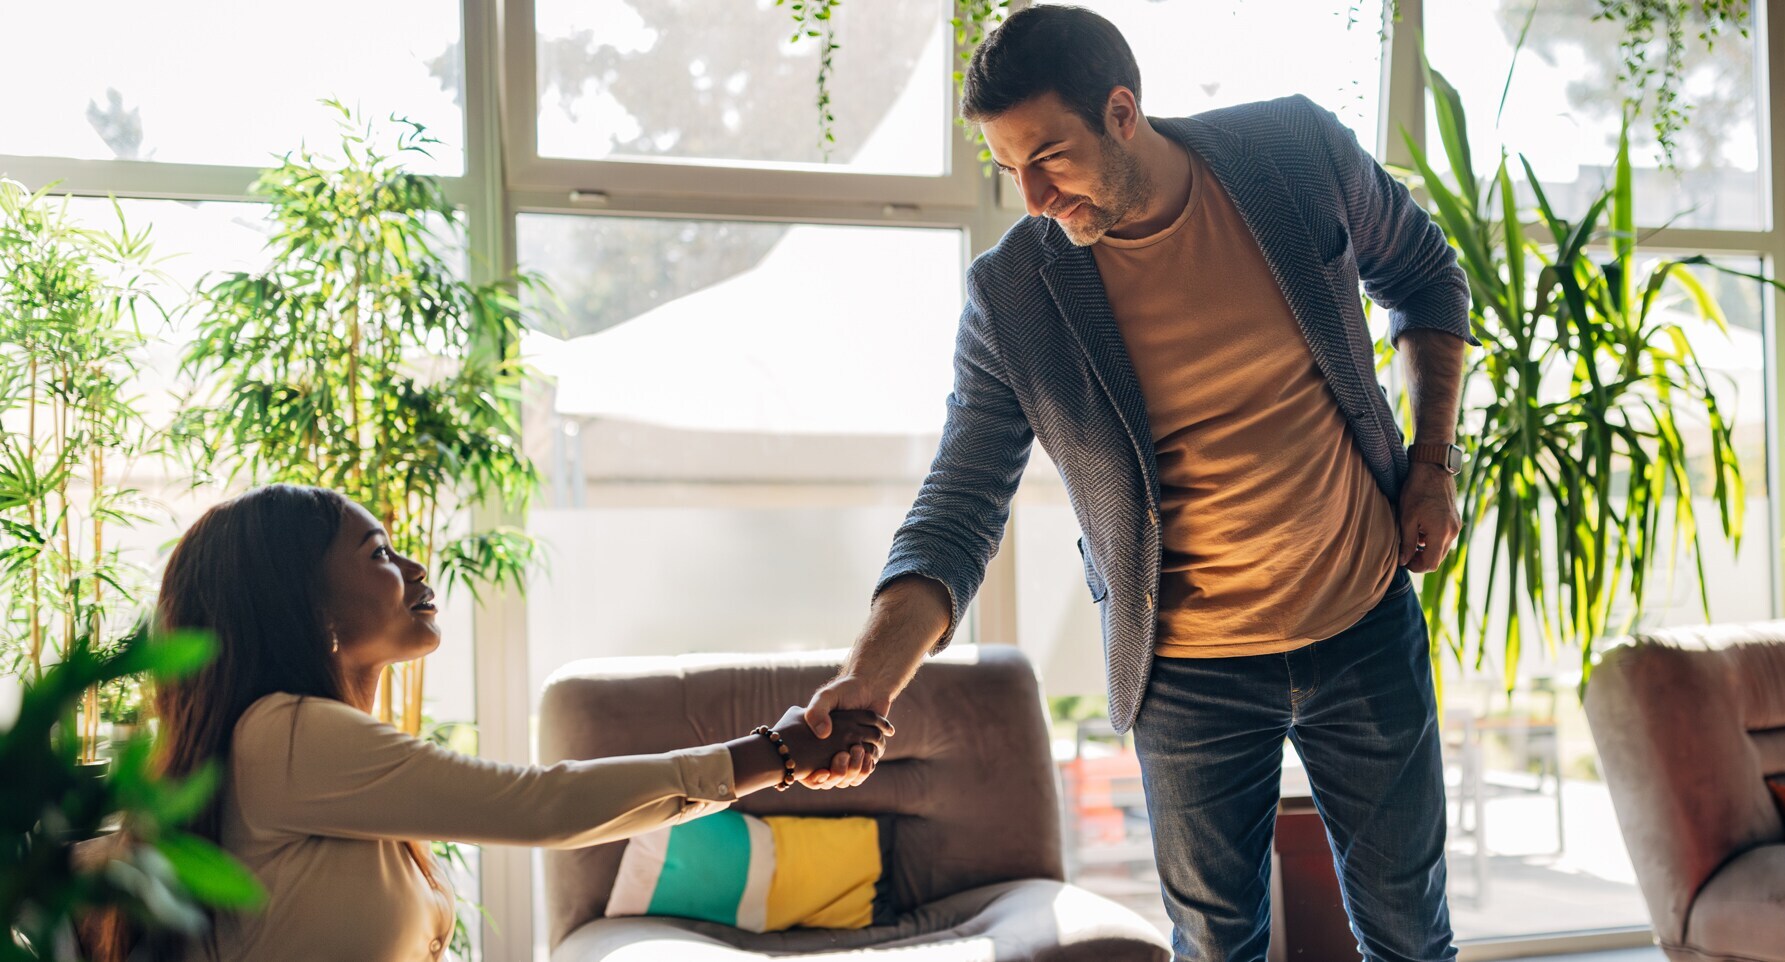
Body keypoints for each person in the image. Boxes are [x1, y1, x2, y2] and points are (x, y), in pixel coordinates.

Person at [797, 6, 1473, 961]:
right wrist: (866, 682)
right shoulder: (1015, 295)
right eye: (1008, 169)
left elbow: (1429, 277)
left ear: (1123, 112)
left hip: (1364, 622)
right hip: (1188, 672)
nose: (1034, 197)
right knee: (1215, 947)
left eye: (1049, 157)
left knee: (1411, 937)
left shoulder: (1295, 153)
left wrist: (1432, 464)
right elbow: (957, 507)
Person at [109, 484, 886, 961]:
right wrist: (777, 752)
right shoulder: (285, 734)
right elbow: (543, 804)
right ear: (301, 603)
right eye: (379, 553)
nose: (417, 568)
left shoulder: (302, 747)